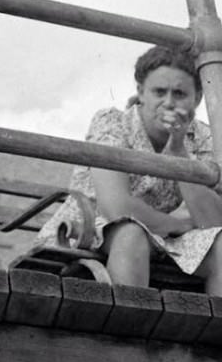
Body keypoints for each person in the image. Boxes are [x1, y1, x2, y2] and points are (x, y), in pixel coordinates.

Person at [35, 45, 222, 293]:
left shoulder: (203, 138)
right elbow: (117, 208)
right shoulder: (113, 124)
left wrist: (179, 154)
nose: (168, 102)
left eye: (179, 94)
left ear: (197, 99)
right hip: (90, 232)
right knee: (131, 235)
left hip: (163, 241)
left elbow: (213, 222)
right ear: (141, 92)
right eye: (159, 92)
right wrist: (176, 224)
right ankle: (128, 329)